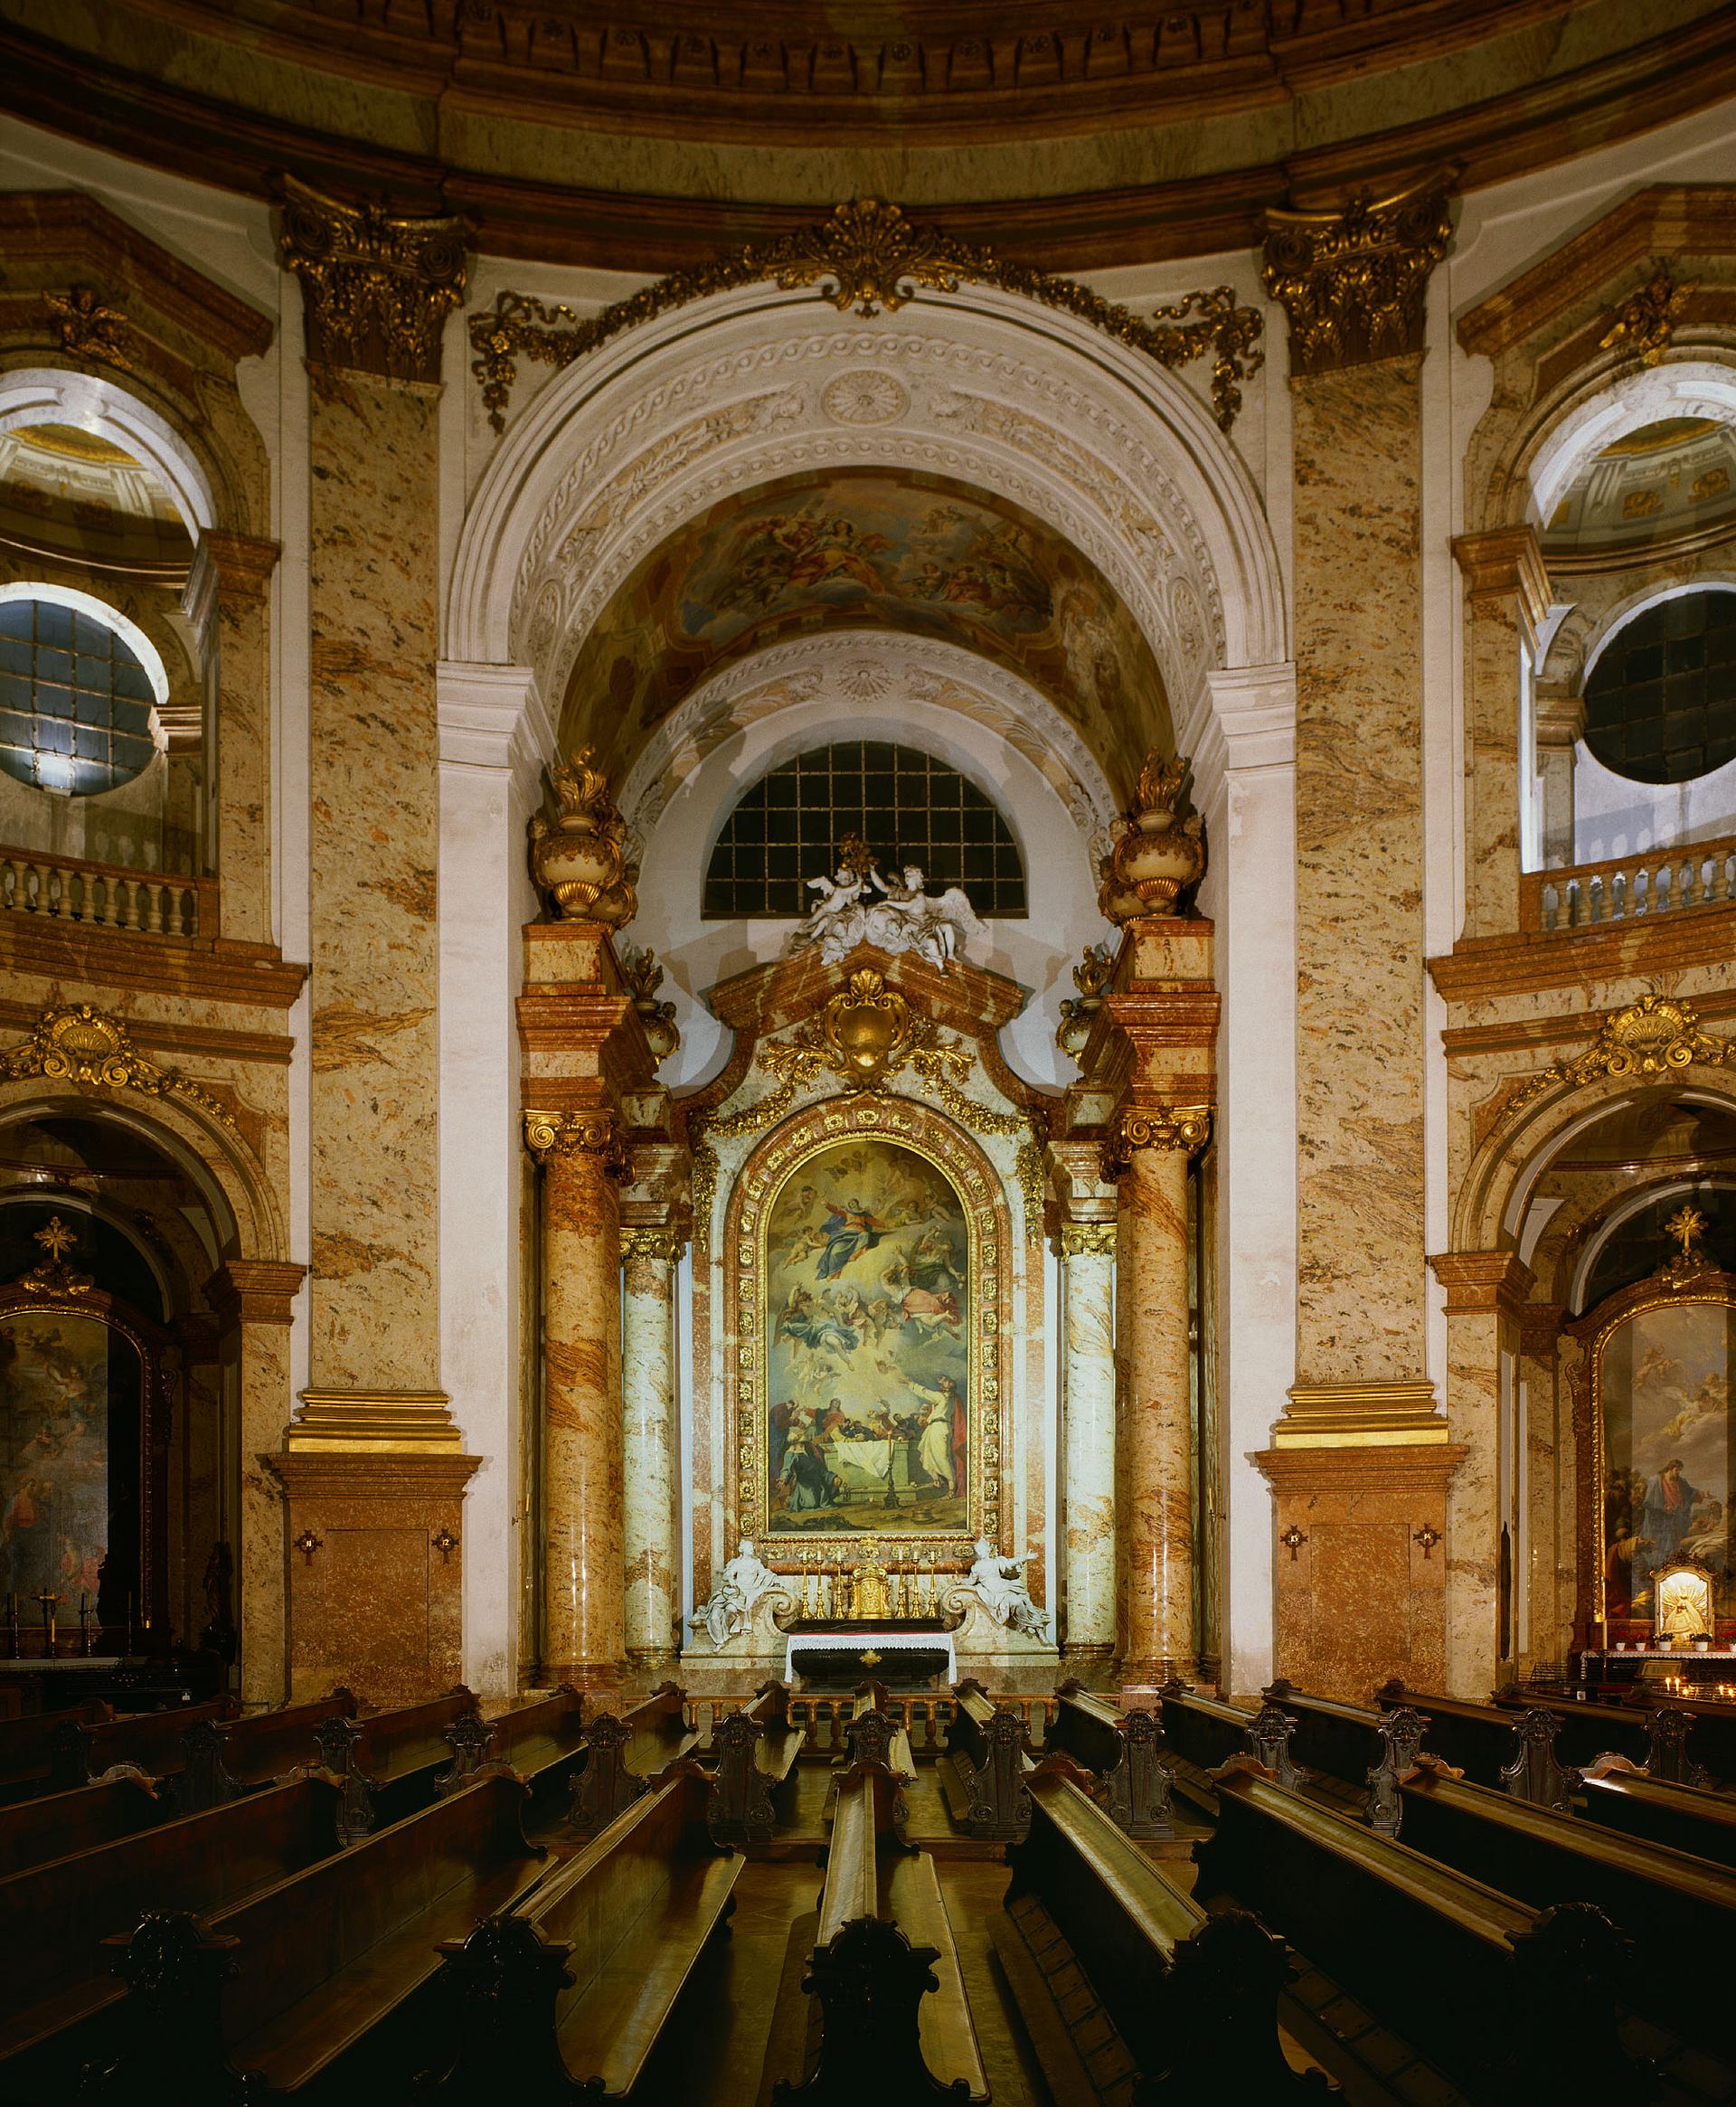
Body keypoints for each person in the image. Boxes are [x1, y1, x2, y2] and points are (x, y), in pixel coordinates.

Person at [963, 1535, 1050, 1639]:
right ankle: (1030, 1624)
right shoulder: (976, 1567)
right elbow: (971, 1581)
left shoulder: (996, 1561)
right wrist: (961, 1582)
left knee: (1018, 1601)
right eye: (978, 1551)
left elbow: (1011, 1562)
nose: (980, 1553)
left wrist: (1025, 1558)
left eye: (982, 1550)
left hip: (1004, 1587)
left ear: (988, 1550)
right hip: (991, 1593)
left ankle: (1028, 1623)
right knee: (1017, 1602)